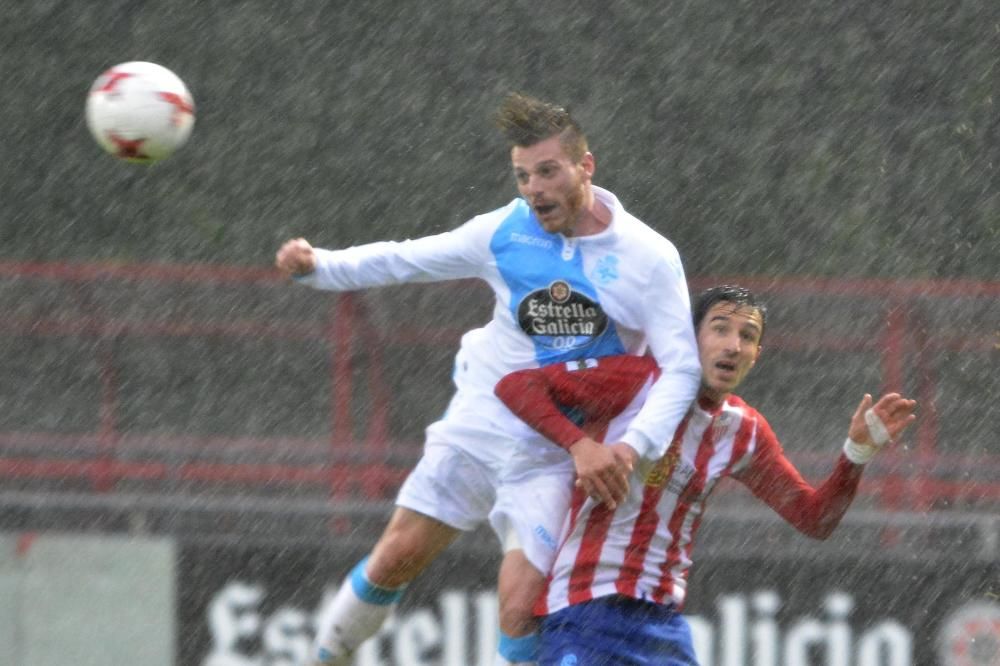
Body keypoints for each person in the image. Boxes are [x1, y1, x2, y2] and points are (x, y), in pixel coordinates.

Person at [273, 92, 702, 666]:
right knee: (397, 555)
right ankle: (329, 654)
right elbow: (406, 259)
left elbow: (682, 367)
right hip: (483, 419)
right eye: (523, 175)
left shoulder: (648, 256)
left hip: (561, 452)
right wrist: (319, 267)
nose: (534, 189)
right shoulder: (503, 231)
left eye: (548, 172)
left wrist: (628, 448)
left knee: (521, 608)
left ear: (586, 166)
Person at [493, 285, 918, 665]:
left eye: (747, 336)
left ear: (757, 354)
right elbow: (517, 386)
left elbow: (814, 518)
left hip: (660, 628)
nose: (733, 345)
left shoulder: (744, 431)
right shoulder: (638, 381)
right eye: (720, 329)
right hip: (584, 607)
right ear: (692, 338)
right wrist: (579, 445)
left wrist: (856, 452)